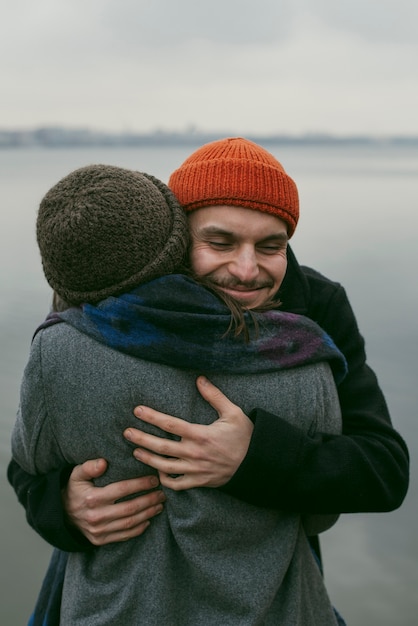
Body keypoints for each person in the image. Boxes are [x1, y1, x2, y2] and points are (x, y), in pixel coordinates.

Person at [11, 162, 349, 624]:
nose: (246, 269)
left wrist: (255, 456)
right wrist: (64, 508)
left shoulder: (59, 347)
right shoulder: (305, 356)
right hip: (276, 608)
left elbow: (31, 461)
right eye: (220, 242)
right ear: (176, 241)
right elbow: (318, 517)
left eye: (271, 246)